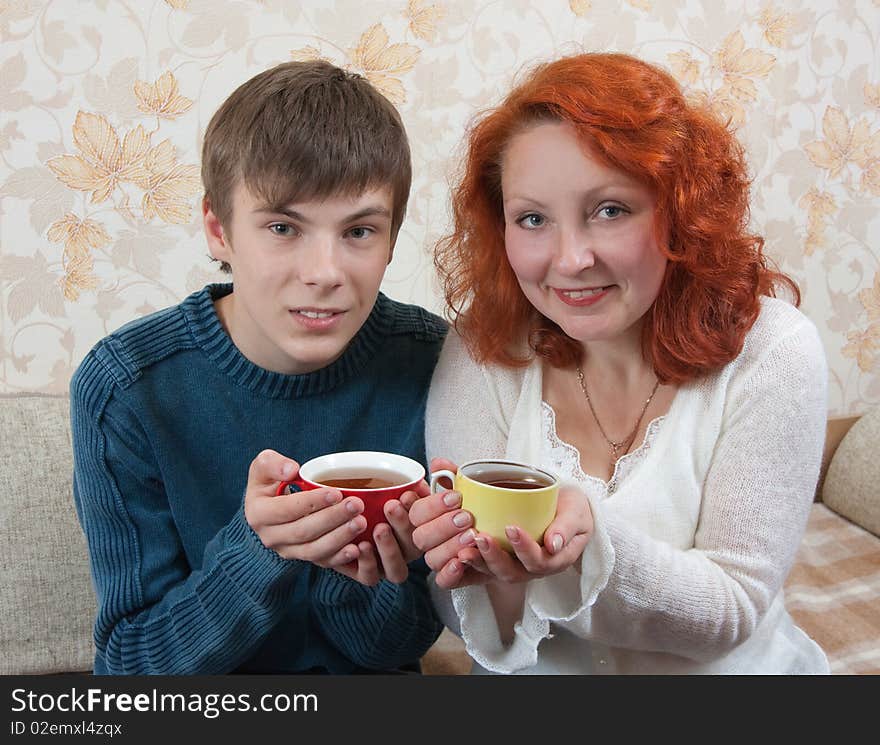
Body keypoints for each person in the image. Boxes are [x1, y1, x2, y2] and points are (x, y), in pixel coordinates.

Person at [409, 52, 829, 674]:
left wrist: (591, 549)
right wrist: (480, 573)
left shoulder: (773, 350)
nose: (571, 259)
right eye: (532, 219)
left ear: (679, 209)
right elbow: (465, 615)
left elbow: (733, 608)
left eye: (610, 210)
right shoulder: (484, 345)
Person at [70, 60, 446, 674]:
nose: (324, 272)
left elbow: (388, 651)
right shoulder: (126, 387)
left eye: (359, 231)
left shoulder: (432, 364)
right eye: (282, 227)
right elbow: (129, 670)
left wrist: (391, 575)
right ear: (219, 230)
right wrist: (258, 553)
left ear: (393, 238)